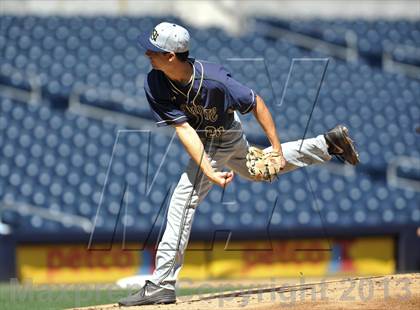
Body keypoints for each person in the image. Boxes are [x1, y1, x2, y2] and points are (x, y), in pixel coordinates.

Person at [118, 22, 359, 307]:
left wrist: (278, 149)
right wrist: (208, 169)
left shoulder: (215, 80)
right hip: (208, 139)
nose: (147, 53)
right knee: (258, 170)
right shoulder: (155, 82)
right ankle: (328, 144)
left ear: (172, 56)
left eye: (154, 49)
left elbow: (257, 103)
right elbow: (184, 130)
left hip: (224, 134)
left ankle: (163, 284)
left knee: (183, 200)